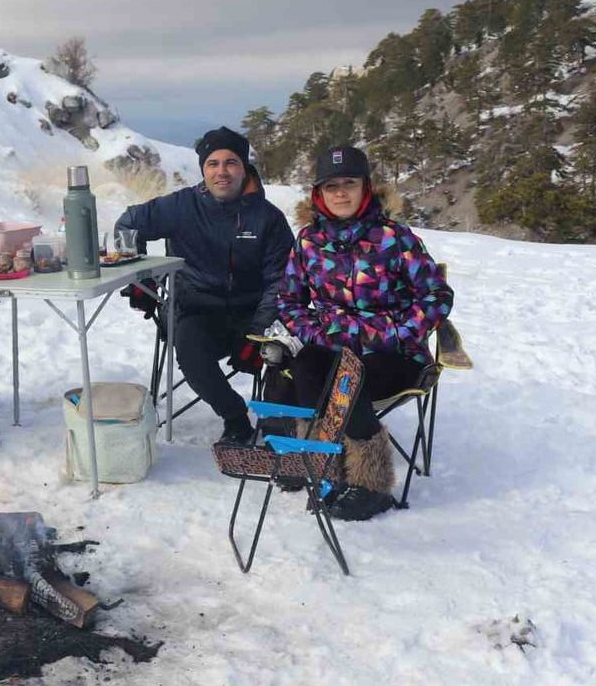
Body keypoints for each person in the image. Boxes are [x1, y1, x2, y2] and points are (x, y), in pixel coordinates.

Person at [275, 145, 454, 521]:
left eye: (349, 183)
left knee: (348, 379)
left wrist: (397, 333)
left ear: (366, 187)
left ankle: (371, 484)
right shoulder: (308, 242)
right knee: (306, 364)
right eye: (331, 186)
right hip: (334, 345)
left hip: (394, 353)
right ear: (318, 194)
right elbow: (289, 301)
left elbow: (436, 295)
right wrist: (317, 335)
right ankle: (321, 462)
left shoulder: (395, 238)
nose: (341, 193)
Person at [114, 126, 294, 446]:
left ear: (244, 167)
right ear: (203, 169)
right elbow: (128, 225)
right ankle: (235, 418)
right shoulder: (182, 206)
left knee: (288, 345)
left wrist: (258, 328)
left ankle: (279, 424)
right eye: (213, 164)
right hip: (194, 307)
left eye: (230, 162)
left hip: (252, 311)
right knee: (191, 350)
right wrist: (145, 279)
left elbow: (280, 281)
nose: (221, 172)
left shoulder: (269, 219)